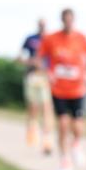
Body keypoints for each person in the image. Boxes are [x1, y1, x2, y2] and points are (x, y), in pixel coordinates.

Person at [38, 8, 86, 170]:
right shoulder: (51, 38)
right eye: (66, 20)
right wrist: (47, 72)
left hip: (77, 88)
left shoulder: (81, 38)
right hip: (59, 89)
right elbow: (40, 58)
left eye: (71, 20)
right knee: (63, 124)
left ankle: (76, 144)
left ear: (74, 20)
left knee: (77, 126)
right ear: (62, 21)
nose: (68, 23)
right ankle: (65, 161)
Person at [19, 20, 54, 154]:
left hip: (45, 77)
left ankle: (47, 140)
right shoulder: (30, 39)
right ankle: (32, 129)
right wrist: (31, 62)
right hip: (32, 76)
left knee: (46, 107)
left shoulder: (51, 39)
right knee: (33, 107)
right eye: (40, 25)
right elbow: (20, 56)